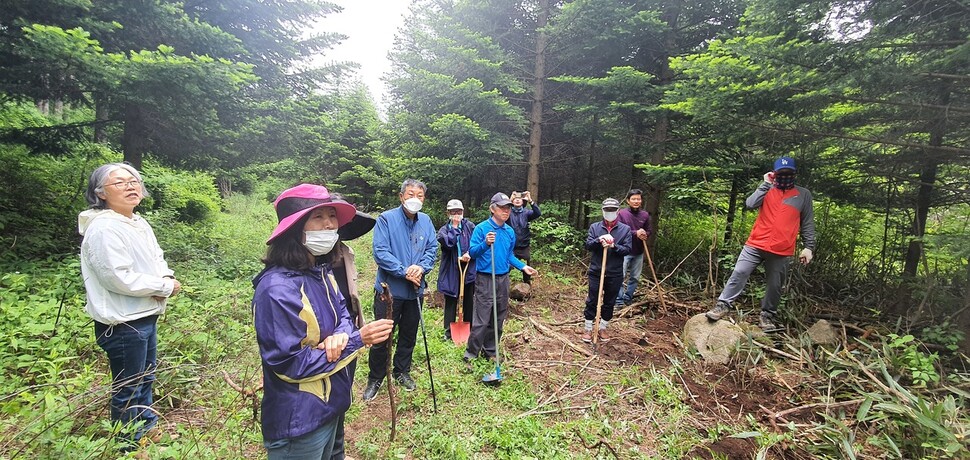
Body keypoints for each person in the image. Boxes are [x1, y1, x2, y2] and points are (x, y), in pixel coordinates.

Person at [252, 184, 393, 459]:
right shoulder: (276, 290)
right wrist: (357, 339)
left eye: (331, 215)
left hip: (332, 402)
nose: (329, 224)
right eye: (318, 217)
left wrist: (341, 335)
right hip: (300, 420)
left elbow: (342, 311)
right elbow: (289, 363)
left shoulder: (320, 271)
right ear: (295, 228)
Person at [78, 163, 180, 447]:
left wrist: (166, 277)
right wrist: (164, 287)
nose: (131, 186)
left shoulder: (137, 222)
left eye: (134, 181)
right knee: (128, 387)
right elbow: (117, 277)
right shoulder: (104, 228)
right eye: (119, 183)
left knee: (145, 378)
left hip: (144, 314)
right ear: (100, 193)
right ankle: (128, 444)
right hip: (122, 321)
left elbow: (157, 258)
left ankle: (146, 428)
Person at [705, 156, 816, 332]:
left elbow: (808, 222)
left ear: (794, 174)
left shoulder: (803, 195)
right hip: (756, 243)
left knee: (775, 285)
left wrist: (809, 247)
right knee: (739, 272)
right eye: (781, 173)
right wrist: (765, 184)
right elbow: (750, 204)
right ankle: (722, 306)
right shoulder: (767, 189)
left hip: (782, 249)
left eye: (788, 173)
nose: (784, 176)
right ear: (774, 173)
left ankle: (767, 316)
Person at [362, 179, 438, 402]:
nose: (415, 199)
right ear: (401, 196)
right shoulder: (386, 219)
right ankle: (376, 377)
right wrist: (404, 271)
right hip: (389, 292)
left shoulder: (426, 221)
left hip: (415, 292)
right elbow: (381, 252)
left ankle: (401, 371)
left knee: (408, 334)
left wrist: (421, 268)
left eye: (420, 195)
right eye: (411, 194)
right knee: (382, 336)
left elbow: (432, 249)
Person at [464, 192, 538, 365]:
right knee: (482, 318)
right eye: (502, 207)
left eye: (508, 208)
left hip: (503, 278)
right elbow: (472, 252)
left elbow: (509, 255)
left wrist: (522, 266)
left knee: (498, 317)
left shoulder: (509, 231)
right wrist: (485, 244)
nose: (506, 211)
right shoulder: (482, 228)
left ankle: (490, 350)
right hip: (485, 278)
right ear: (492, 209)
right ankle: (471, 353)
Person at [582, 198, 633, 343]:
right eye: (607, 210)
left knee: (610, 301)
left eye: (612, 210)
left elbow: (627, 249)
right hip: (596, 270)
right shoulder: (595, 227)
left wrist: (614, 246)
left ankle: (603, 327)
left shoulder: (625, 229)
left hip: (614, 272)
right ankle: (588, 328)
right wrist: (599, 240)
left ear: (617, 211)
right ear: (603, 210)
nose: (609, 213)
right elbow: (588, 245)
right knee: (592, 299)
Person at [436, 199, 476, 341]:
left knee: (468, 299)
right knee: (451, 299)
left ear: (463, 212)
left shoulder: (470, 226)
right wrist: (454, 228)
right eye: (453, 212)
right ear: (448, 213)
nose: (456, 214)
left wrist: (469, 254)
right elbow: (448, 244)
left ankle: (469, 328)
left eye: (459, 212)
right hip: (451, 269)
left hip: (468, 267)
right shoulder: (443, 231)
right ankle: (448, 332)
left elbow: (476, 243)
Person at [615, 189, 653, 306]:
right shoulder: (622, 213)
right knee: (620, 276)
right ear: (628, 201)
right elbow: (619, 231)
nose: (636, 201)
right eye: (634, 199)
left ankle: (628, 298)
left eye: (638, 199)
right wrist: (635, 233)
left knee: (635, 277)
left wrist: (645, 234)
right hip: (624, 250)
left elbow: (649, 230)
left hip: (639, 251)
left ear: (641, 201)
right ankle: (619, 300)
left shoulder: (645, 215)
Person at [508, 190, 541, 284]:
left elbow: (538, 213)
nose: (518, 200)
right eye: (515, 199)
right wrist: (510, 200)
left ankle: (527, 286)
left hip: (524, 246)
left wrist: (531, 201)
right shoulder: (508, 214)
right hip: (511, 246)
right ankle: (503, 284)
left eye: (520, 199)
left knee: (526, 268)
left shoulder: (526, 213)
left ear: (523, 202)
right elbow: (497, 213)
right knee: (507, 266)